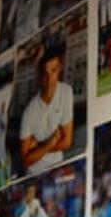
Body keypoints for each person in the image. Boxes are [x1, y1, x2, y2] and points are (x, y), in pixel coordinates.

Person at [19, 45, 74, 174]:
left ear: (60, 68)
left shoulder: (66, 92)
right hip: (35, 172)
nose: (50, 80)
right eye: (45, 74)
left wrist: (38, 148)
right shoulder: (29, 112)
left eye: (54, 71)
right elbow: (26, 159)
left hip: (58, 166)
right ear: (40, 76)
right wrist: (51, 142)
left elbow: (66, 142)